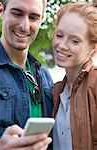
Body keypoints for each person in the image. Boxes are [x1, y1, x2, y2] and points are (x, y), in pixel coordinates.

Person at [0, 0, 53, 149]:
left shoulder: (45, 77)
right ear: (0, 11)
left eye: (34, 17)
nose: (25, 26)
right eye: (17, 13)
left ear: (41, 19)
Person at [52, 2, 97, 150]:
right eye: (59, 35)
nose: (62, 45)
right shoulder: (56, 91)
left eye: (74, 41)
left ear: (92, 47)